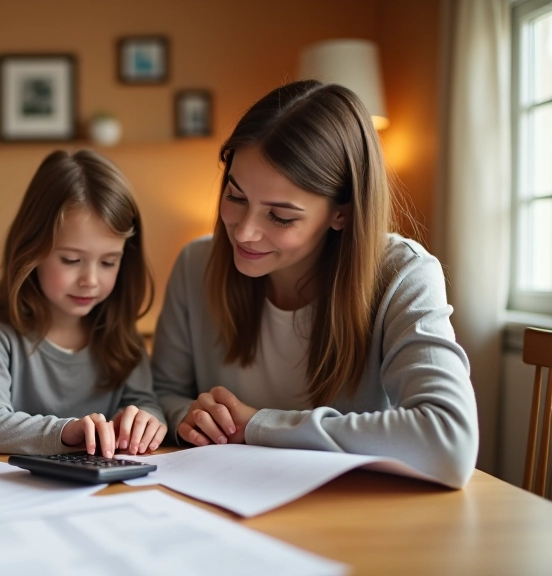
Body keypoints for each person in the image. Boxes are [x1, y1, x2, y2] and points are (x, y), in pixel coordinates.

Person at [153, 80, 479, 488]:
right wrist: (191, 418)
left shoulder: (403, 274)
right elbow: (163, 391)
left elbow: (449, 442)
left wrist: (258, 425)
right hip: (226, 502)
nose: (245, 233)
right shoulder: (195, 264)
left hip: (358, 518)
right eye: (236, 197)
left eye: (281, 216)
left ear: (341, 213)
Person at [0, 150, 167, 458]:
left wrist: (147, 420)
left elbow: (146, 402)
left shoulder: (122, 336)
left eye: (109, 262)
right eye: (71, 260)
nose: (90, 279)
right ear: (32, 251)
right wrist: (66, 431)